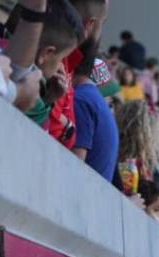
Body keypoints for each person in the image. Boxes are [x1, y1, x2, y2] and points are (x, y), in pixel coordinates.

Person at [45, 0, 107, 148]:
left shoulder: (69, 61)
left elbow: (71, 138)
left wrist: (67, 126)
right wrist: (68, 126)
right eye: (103, 23)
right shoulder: (56, 58)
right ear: (90, 24)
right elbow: (53, 130)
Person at [20, 1, 83, 131]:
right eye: (62, 58)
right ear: (46, 53)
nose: (61, 66)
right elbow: (36, 134)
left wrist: (49, 98)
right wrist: (47, 103)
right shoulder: (29, 88)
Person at [70, 52, 118, 181]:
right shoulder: (94, 102)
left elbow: (74, 165)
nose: (108, 99)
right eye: (105, 94)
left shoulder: (82, 99)